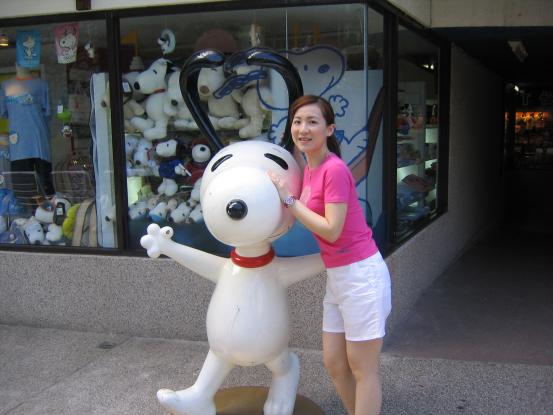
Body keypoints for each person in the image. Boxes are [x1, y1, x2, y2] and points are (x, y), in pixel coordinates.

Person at [268, 95, 391, 415]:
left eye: (312, 122)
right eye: (297, 121)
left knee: (363, 369)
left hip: (360, 273)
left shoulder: (333, 170)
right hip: (337, 276)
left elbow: (332, 230)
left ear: (330, 129)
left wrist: (289, 200)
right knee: (335, 364)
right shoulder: (308, 169)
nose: (303, 128)